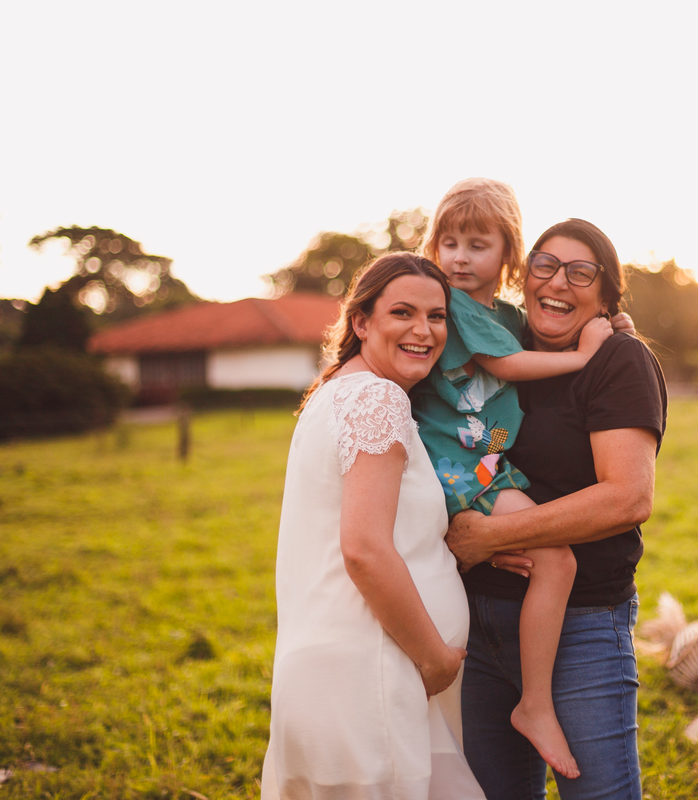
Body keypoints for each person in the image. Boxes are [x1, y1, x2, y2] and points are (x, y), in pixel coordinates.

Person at [445, 219, 667, 800]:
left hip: (581, 624)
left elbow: (628, 497)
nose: (559, 282)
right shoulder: (495, 344)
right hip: (478, 623)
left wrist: (490, 537)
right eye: (545, 265)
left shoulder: (618, 360)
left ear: (606, 297)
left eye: (581, 273)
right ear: (524, 276)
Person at [261, 252, 486, 800]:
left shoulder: (336, 393)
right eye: (402, 313)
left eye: (436, 316)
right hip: (368, 681)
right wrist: (435, 657)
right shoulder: (376, 398)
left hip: (359, 676)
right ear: (361, 322)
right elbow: (364, 549)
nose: (423, 330)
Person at [413, 178, 613, 779]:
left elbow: (542, 328)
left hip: (488, 459)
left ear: (508, 256)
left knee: (545, 558)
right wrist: (585, 355)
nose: (458, 258)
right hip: (457, 468)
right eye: (449, 243)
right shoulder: (452, 306)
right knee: (558, 561)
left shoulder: (501, 314)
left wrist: (607, 324)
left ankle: (530, 699)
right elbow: (506, 364)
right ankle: (535, 705)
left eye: (477, 245)